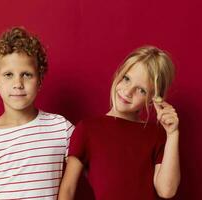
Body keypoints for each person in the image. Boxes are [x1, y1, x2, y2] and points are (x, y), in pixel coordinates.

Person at [0, 27, 74, 200]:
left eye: (27, 75)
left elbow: (96, 162)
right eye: (8, 74)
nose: (18, 83)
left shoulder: (61, 128)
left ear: (39, 81)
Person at [58, 46, 180, 200]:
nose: (128, 92)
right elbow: (67, 190)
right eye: (126, 79)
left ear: (152, 99)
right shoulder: (87, 129)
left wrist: (173, 134)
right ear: (119, 74)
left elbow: (167, 191)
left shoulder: (156, 134)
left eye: (141, 90)